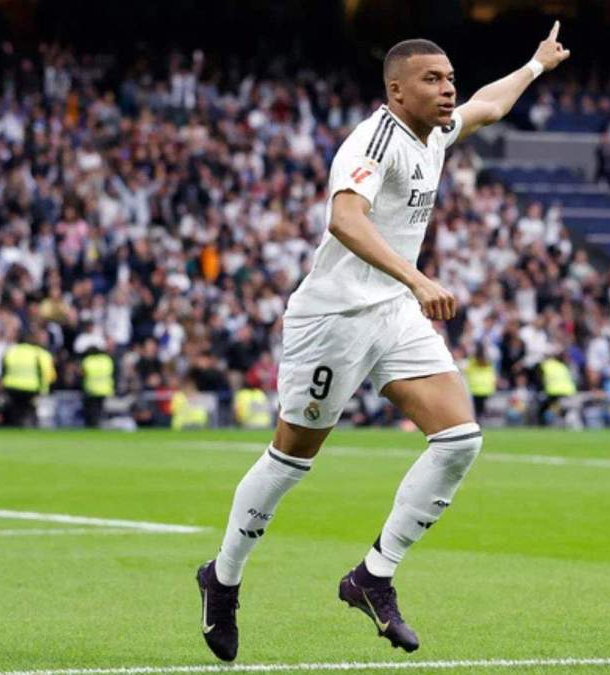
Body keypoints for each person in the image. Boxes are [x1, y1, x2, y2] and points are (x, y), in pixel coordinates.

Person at [196, 25, 571, 662]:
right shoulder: (375, 140)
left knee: (459, 439)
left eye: (450, 78)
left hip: (392, 312)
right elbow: (345, 218)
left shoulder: (437, 133)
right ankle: (222, 577)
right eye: (432, 80)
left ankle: (373, 576)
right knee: (292, 458)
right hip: (335, 317)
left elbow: (489, 104)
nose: (448, 89)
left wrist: (535, 65)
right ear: (396, 91)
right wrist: (418, 278)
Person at [0, 334, 47, 428]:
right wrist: (42, 389)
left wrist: (3, 385)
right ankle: (31, 426)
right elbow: (41, 372)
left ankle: (14, 427)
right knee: (29, 409)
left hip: (12, 386)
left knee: (14, 410)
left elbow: (3, 369)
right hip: (30, 387)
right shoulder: (35, 352)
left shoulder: (10, 351)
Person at [80, 345, 115, 428]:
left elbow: (83, 374)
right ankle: (99, 424)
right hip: (105, 389)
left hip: (91, 389)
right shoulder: (107, 360)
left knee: (91, 410)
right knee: (100, 409)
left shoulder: (88, 360)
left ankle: (93, 425)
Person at [462, 343, 497, 421]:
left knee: (477, 410)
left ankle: (480, 419)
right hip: (487, 388)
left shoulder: (471, 361)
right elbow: (492, 374)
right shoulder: (488, 362)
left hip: (475, 389)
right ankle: (482, 418)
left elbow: (465, 370)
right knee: (481, 409)